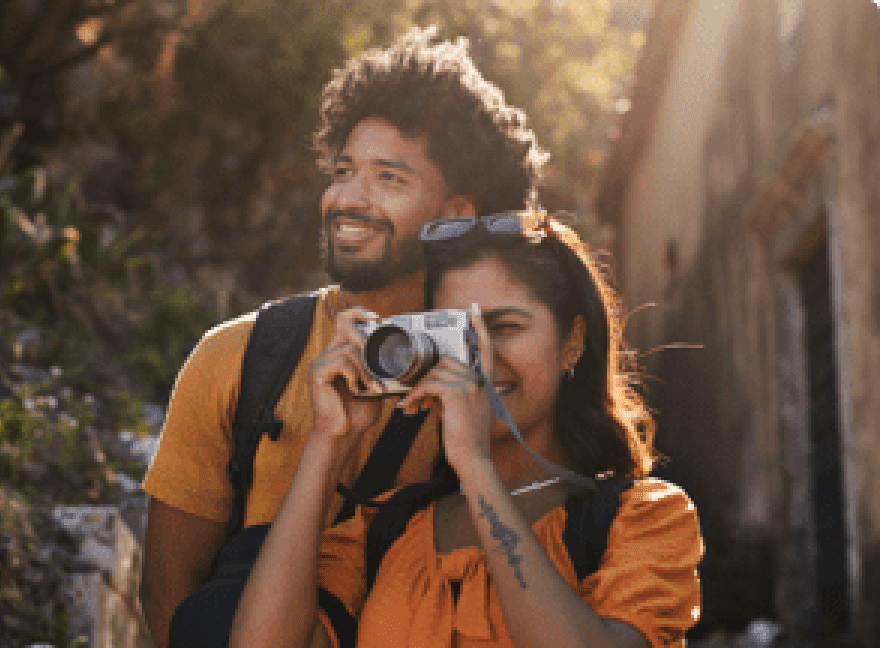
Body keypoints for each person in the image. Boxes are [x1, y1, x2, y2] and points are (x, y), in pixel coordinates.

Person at [141, 27, 547, 647]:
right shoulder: (238, 360)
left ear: (456, 215)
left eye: (389, 178)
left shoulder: (504, 379)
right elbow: (170, 605)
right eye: (343, 171)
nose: (348, 198)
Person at [229, 211, 704, 648]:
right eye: (457, 334)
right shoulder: (386, 528)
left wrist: (476, 468)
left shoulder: (644, 519)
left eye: (505, 327)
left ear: (572, 342)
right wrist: (327, 441)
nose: (480, 359)